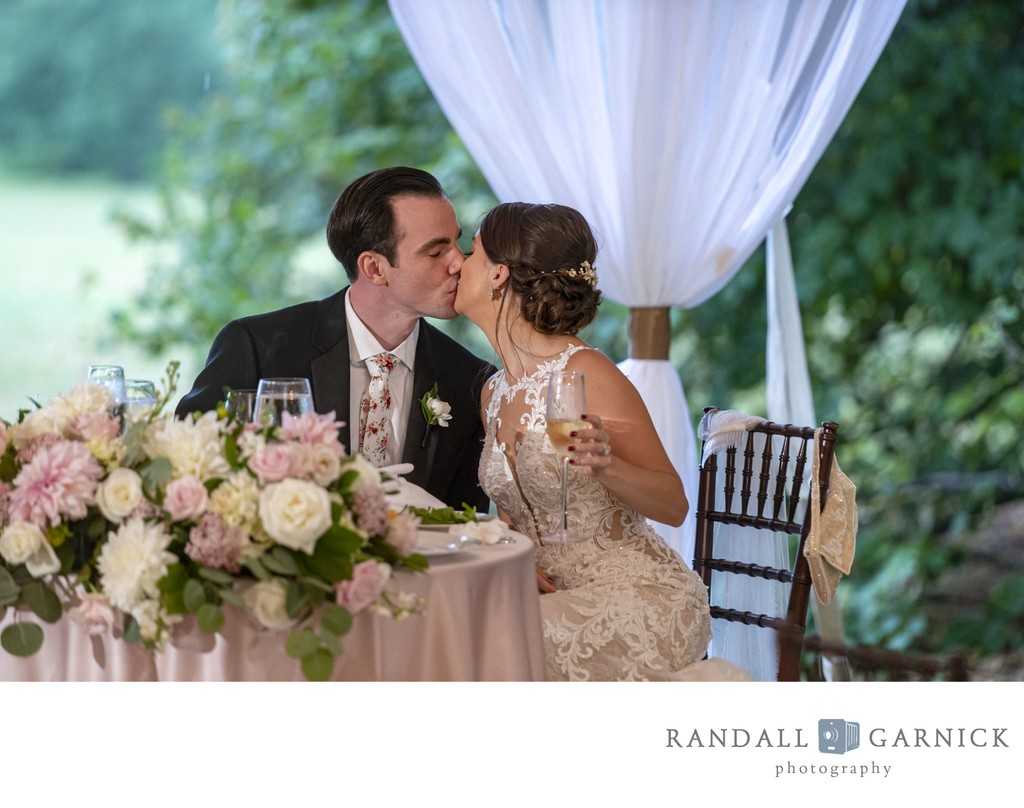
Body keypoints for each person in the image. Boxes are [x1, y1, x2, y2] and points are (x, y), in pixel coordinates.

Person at [456, 201, 748, 681]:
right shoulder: (493, 391)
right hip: (554, 597)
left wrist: (606, 465)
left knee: (493, 639)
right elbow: (512, 515)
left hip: (641, 595)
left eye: (471, 252)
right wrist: (513, 556)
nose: (458, 264)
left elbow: (674, 505)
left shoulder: (588, 372)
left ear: (498, 276)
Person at [176, 166, 495, 511]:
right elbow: (187, 467)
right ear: (373, 268)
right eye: (436, 252)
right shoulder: (258, 348)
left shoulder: (470, 380)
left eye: (456, 243)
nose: (458, 263)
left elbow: (466, 524)